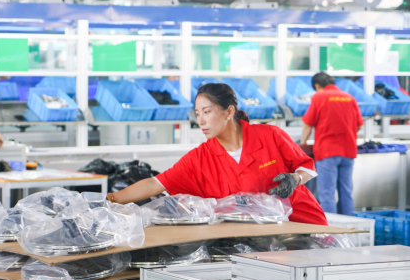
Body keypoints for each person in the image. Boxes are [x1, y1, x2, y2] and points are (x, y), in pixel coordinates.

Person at [108, 83, 327, 225]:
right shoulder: (199, 158)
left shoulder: (270, 135)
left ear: (229, 111)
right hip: (258, 237)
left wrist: (295, 179)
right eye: (197, 114)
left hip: (302, 223)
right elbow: (154, 184)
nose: (201, 121)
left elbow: (307, 167)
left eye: (207, 112)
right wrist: (110, 201)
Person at [300, 72, 363, 216]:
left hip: (327, 152)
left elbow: (308, 125)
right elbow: (359, 125)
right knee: (346, 192)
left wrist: (302, 145)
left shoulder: (319, 97)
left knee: (327, 193)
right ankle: (349, 226)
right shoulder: (349, 98)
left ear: (317, 86)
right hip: (348, 151)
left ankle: (330, 228)